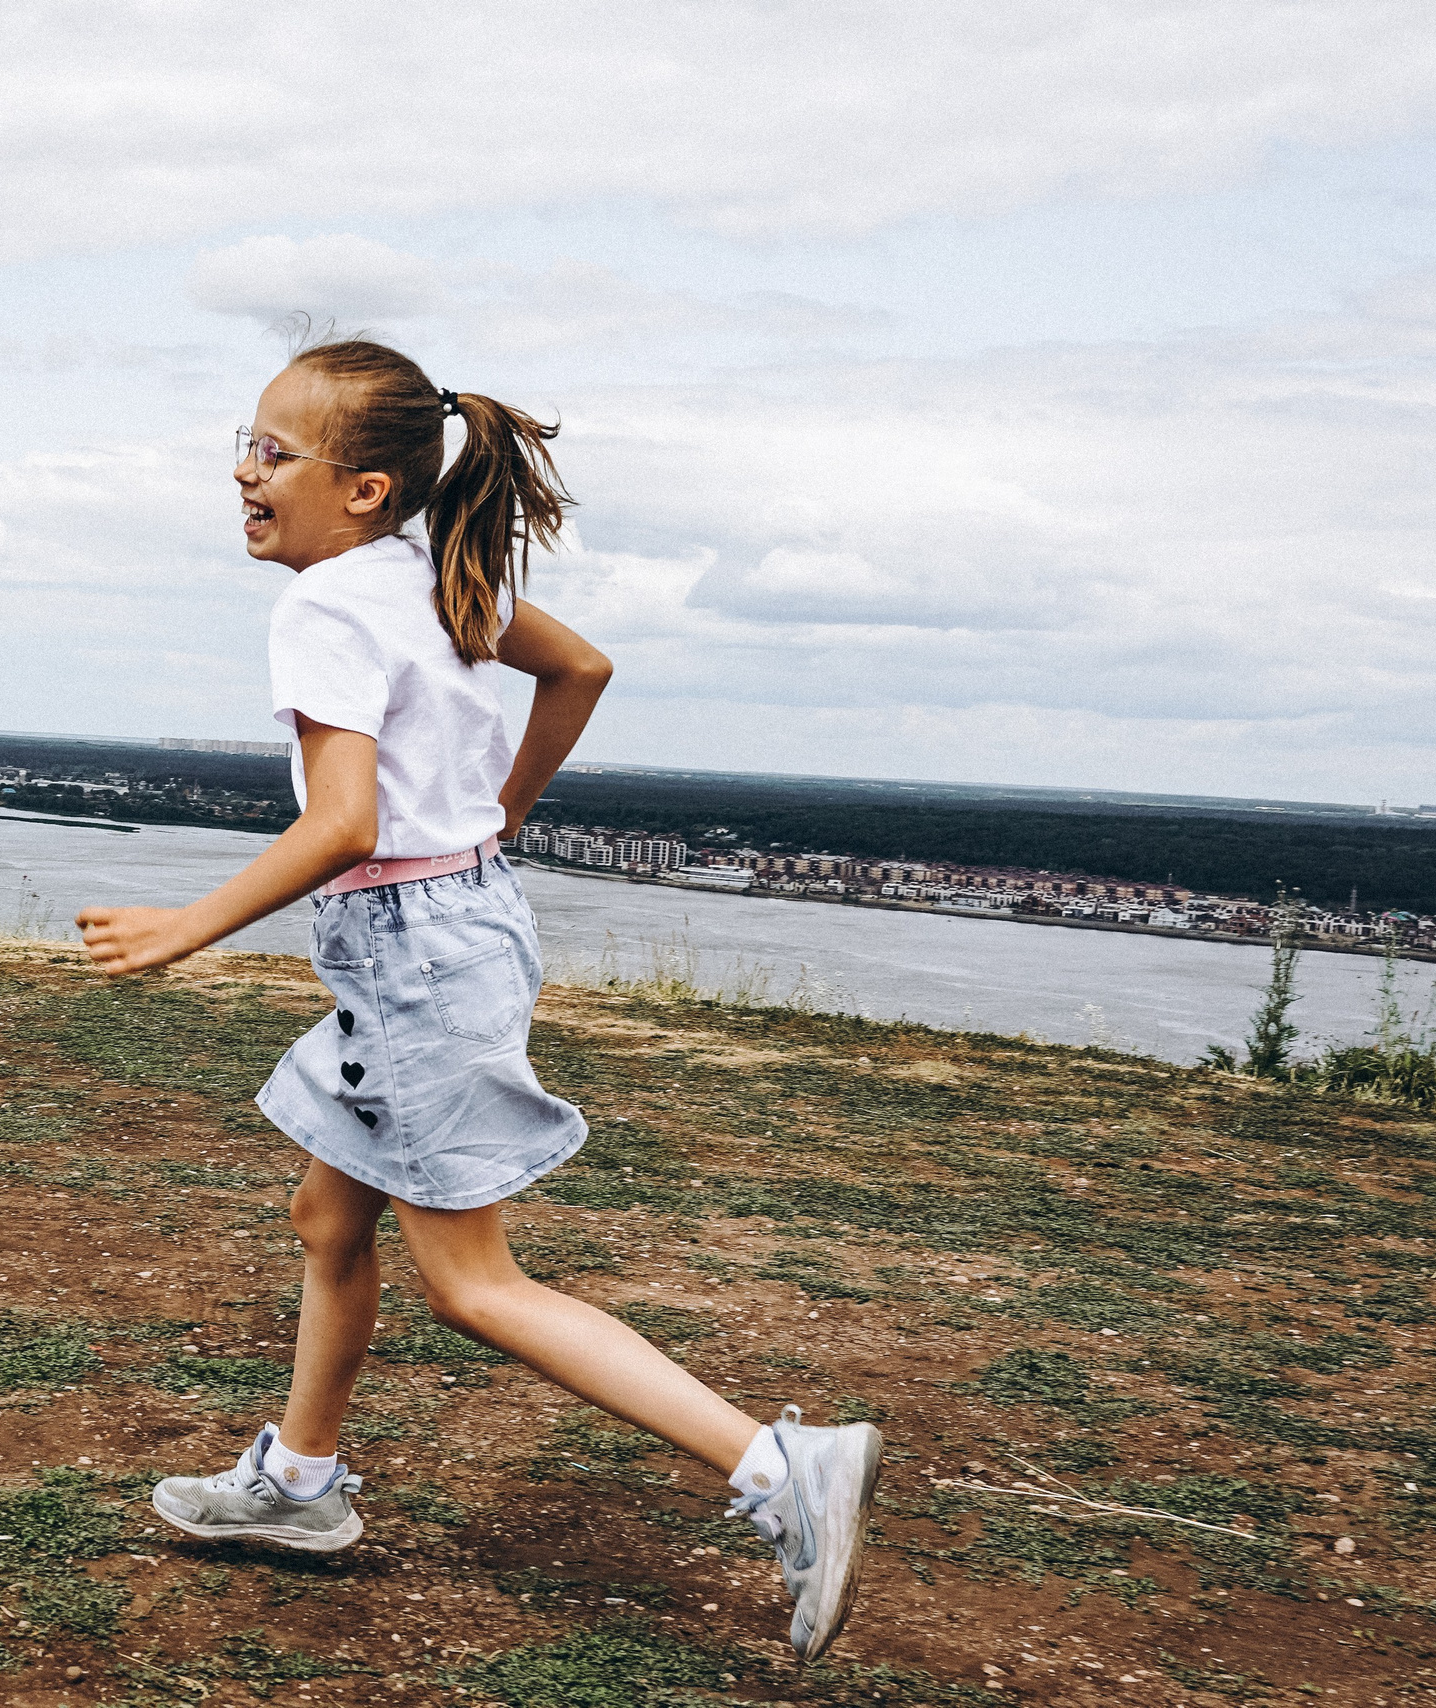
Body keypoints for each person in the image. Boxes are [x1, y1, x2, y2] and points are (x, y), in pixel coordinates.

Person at [74, 337, 881, 1659]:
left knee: (474, 1282)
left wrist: (186, 929)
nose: (243, 470)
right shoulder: (428, 579)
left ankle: (780, 1469)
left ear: (368, 492)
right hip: (457, 929)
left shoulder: (329, 606)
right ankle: (299, 1485)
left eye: (275, 453)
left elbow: (341, 825)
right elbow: (584, 672)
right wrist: (492, 814)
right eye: (246, 440)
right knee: (328, 1212)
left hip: (407, 955)